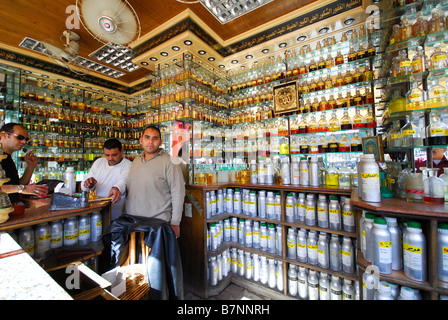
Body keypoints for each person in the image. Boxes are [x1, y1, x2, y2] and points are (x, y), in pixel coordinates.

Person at [124, 125, 185, 238]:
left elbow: (178, 193)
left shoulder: (170, 162)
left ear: (160, 141)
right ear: (141, 140)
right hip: (133, 223)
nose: (151, 142)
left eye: (155, 138)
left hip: (157, 225)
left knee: (157, 255)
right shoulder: (136, 161)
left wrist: (175, 223)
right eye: (147, 137)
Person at [81, 138, 131, 220]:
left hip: (116, 212)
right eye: (107, 155)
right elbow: (83, 187)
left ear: (121, 151)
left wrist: (116, 188)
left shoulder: (127, 165)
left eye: (114, 155)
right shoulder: (99, 162)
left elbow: (123, 181)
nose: (110, 158)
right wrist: (89, 184)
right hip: (96, 210)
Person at [0, 123, 48, 203]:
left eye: (26, 139)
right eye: (20, 137)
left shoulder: (7, 157)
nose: (24, 141)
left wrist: (31, 166)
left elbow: (17, 184)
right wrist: (22, 188)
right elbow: (18, 188)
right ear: (3, 135)